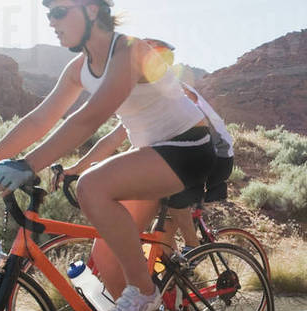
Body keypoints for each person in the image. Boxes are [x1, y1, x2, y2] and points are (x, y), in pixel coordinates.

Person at [0, 0, 214, 311]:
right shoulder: (78, 68)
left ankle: (145, 291)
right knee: (108, 254)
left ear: (90, 10)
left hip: (189, 148)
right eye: (48, 13)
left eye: (58, 11)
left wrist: (28, 164)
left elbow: (90, 118)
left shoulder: (130, 50)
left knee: (92, 186)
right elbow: (42, 118)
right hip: (152, 154)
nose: (51, 21)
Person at [57, 40, 235, 252]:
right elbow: (114, 138)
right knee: (160, 232)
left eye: (165, 58)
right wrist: (80, 167)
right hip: (174, 153)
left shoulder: (175, 91)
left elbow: (192, 133)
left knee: (175, 192)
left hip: (215, 153)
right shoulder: (137, 96)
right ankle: (171, 273)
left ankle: (192, 245)